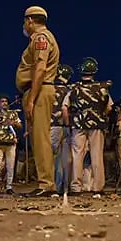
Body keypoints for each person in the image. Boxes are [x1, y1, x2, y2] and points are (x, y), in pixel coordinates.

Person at [17, 6, 61, 197]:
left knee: (40, 138)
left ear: (31, 20)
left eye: (25, 21)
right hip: (39, 90)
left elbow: (40, 68)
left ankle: (46, 184)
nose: (25, 25)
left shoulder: (40, 38)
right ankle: (45, 182)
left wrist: (32, 99)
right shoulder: (42, 38)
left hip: (40, 90)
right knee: (37, 138)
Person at [63, 57, 114, 194]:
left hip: (78, 123)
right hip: (96, 124)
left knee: (77, 155)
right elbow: (109, 107)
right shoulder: (102, 88)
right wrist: (100, 115)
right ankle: (98, 187)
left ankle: (76, 187)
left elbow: (65, 107)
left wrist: (68, 124)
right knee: (97, 155)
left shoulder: (74, 88)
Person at [0, 94, 21, 194]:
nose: (4, 103)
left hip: (11, 143)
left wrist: (13, 123)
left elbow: (20, 125)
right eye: (2, 101)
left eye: (6, 101)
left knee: (10, 166)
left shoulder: (13, 114)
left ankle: (9, 187)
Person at [49, 64, 74, 195]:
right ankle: (65, 186)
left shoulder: (50, 89)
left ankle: (53, 186)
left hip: (52, 125)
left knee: (52, 157)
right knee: (66, 158)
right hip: (67, 126)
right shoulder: (70, 89)